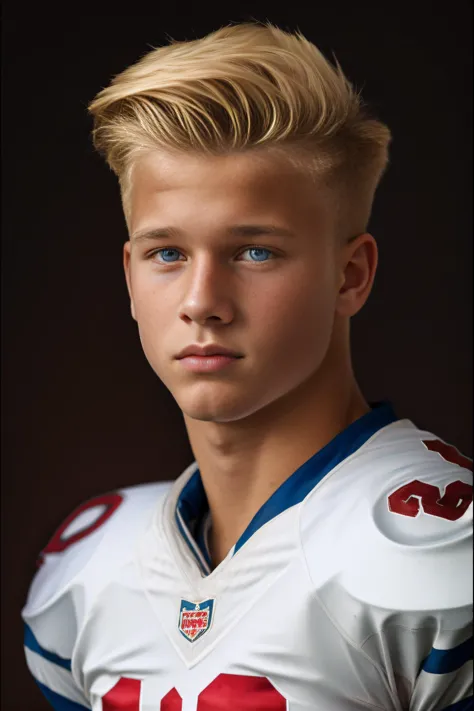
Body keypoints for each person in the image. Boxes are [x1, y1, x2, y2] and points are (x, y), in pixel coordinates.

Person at [22, 21, 472, 711]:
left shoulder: (443, 552)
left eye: (254, 251)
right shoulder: (91, 570)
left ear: (350, 275)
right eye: (166, 253)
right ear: (129, 276)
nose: (203, 302)